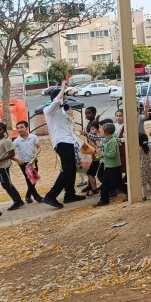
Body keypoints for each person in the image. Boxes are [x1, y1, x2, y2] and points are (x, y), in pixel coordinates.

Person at [42, 81, 87, 209]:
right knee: (67, 169)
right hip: (61, 143)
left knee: (71, 169)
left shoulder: (62, 111)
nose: (65, 99)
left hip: (69, 142)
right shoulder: (48, 110)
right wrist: (62, 88)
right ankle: (51, 196)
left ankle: (70, 194)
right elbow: (56, 101)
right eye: (64, 97)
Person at [94, 123, 128, 207]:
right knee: (118, 183)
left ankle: (104, 200)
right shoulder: (108, 140)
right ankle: (129, 193)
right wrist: (99, 150)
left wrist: (102, 153)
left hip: (113, 166)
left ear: (106, 132)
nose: (100, 131)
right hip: (110, 165)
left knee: (106, 184)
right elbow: (106, 152)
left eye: (101, 130)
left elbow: (112, 155)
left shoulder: (112, 141)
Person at [13, 120, 42, 204]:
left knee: (34, 179)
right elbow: (10, 153)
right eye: (18, 128)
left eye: (21, 127)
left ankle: (28, 196)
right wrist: (17, 160)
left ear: (26, 128)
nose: (19, 129)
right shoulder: (16, 141)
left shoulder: (33, 137)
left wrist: (36, 154)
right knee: (29, 179)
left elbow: (39, 147)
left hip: (33, 161)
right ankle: (37, 196)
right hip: (23, 163)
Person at [81, 121, 104, 196]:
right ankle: (93, 188)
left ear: (98, 129)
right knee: (90, 173)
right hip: (93, 158)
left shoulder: (98, 137)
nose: (91, 131)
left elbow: (95, 148)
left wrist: (89, 140)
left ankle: (94, 189)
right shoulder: (92, 136)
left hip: (96, 158)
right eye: (90, 129)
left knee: (91, 173)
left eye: (93, 129)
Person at [138, 133, 151, 201]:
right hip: (150, 166)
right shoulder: (150, 147)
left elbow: (138, 158)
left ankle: (144, 196)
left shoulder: (138, 149)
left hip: (142, 167)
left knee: (143, 183)